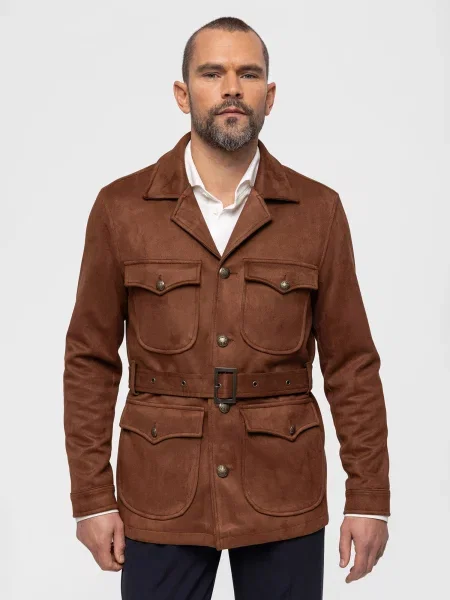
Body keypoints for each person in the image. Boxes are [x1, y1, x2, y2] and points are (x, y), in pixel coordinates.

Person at [63, 16, 390, 599]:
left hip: (284, 491)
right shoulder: (121, 208)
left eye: (249, 74)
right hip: (159, 490)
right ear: (182, 93)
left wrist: (369, 497)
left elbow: (352, 364)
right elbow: (90, 360)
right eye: (213, 73)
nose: (232, 88)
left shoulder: (318, 211)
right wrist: (90, 497)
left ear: (270, 94)